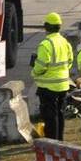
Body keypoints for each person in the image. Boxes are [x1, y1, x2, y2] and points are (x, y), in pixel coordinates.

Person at [31, 12, 74, 141]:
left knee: (50, 118)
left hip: (48, 87)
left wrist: (34, 71)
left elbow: (40, 66)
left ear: (46, 27)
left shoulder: (46, 44)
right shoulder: (64, 42)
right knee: (60, 114)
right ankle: (59, 140)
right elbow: (70, 61)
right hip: (63, 86)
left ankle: (52, 142)